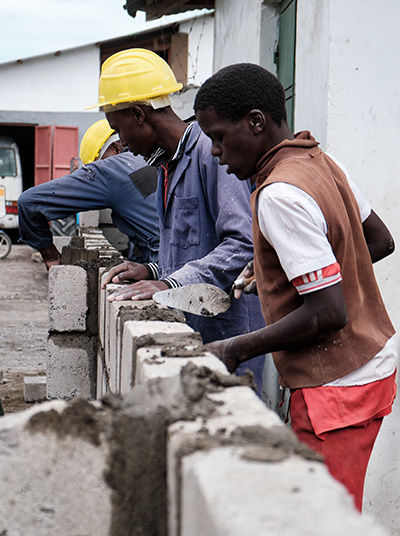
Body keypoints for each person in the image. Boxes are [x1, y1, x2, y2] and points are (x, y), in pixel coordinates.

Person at [194, 63, 397, 511]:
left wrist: (234, 349)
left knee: (324, 518)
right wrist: (281, 267)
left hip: (337, 386)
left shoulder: (279, 195)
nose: (214, 153)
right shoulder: (321, 160)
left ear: (255, 122)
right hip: (371, 366)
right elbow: (378, 241)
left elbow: (328, 312)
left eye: (220, 137)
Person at [95, 49, 266, 392]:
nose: (122, 143)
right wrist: (154, 271)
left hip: (229, 337)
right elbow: (191, 247)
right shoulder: (165, 166)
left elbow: (243, 243)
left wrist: (170, 284)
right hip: (192, 330)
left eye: (120, 129)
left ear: (139, 114)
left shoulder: (213, 153)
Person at [18, 119, 159, 269]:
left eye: (98, 163)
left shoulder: (110, 170)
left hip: (165, 267)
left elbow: (29, 203)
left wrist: (51, 257)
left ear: (117, 148)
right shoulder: (152, 158)